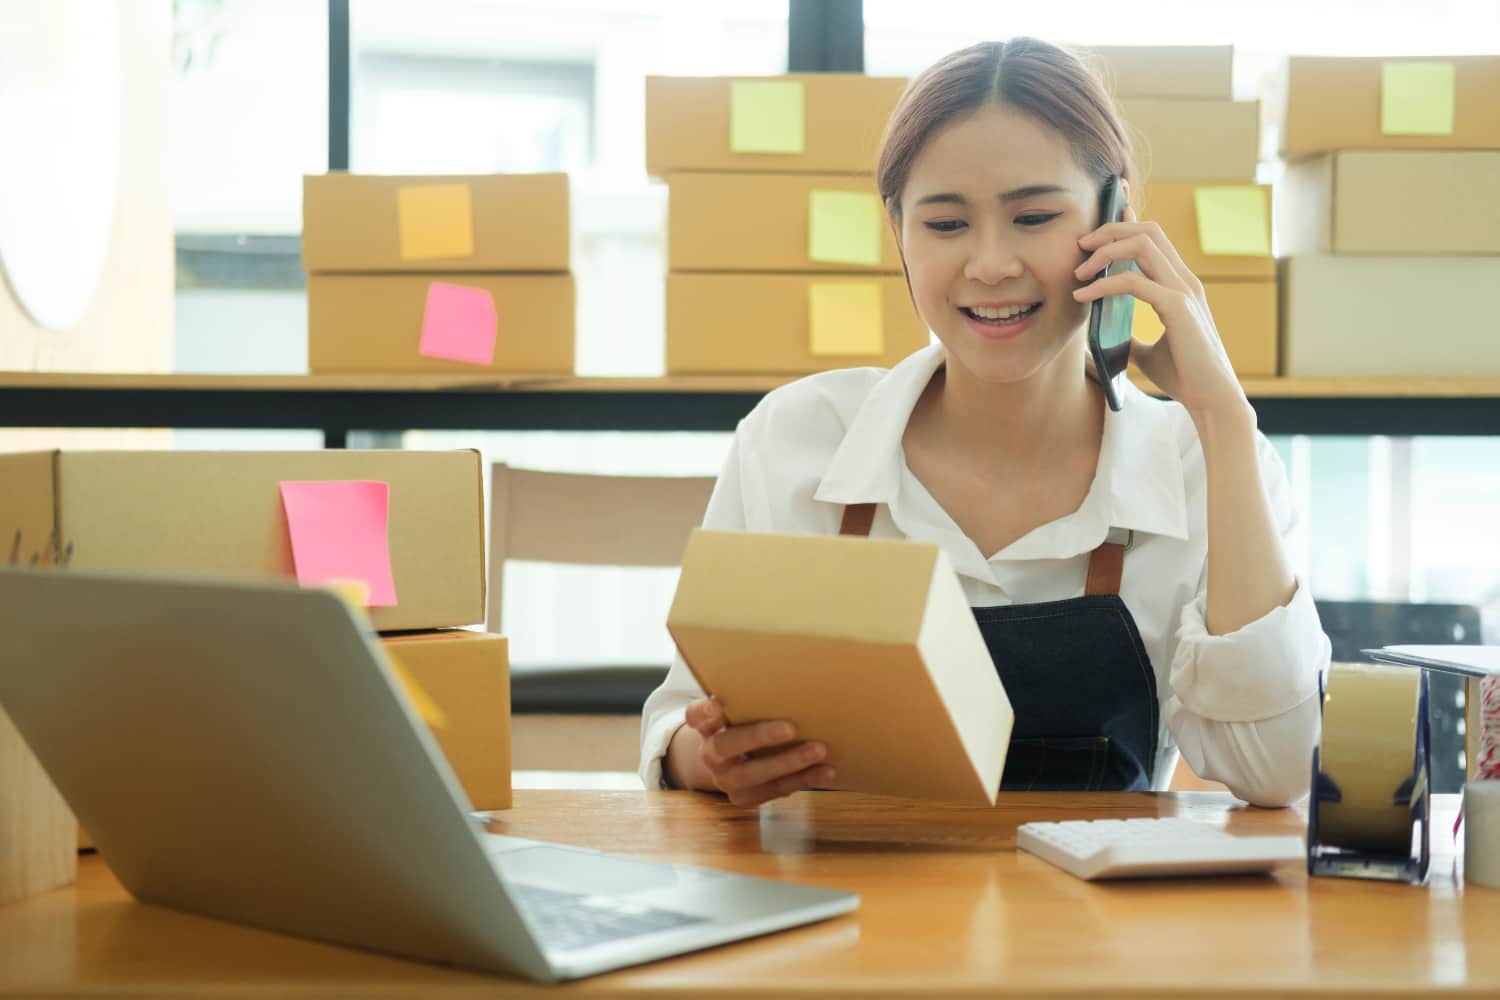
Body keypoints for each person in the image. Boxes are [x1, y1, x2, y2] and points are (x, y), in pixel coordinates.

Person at [640, 37, 1329, 809]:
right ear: (898, 232)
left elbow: (1277, 770)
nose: (991, 264)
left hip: (1094, 892)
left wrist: (1224, 417)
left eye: (1033, 216)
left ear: (1116, 221)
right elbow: (679, 719)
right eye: (945, 224)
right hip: (842, 885)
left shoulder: (1203, 464)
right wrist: (708, 759)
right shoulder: (796, 439)